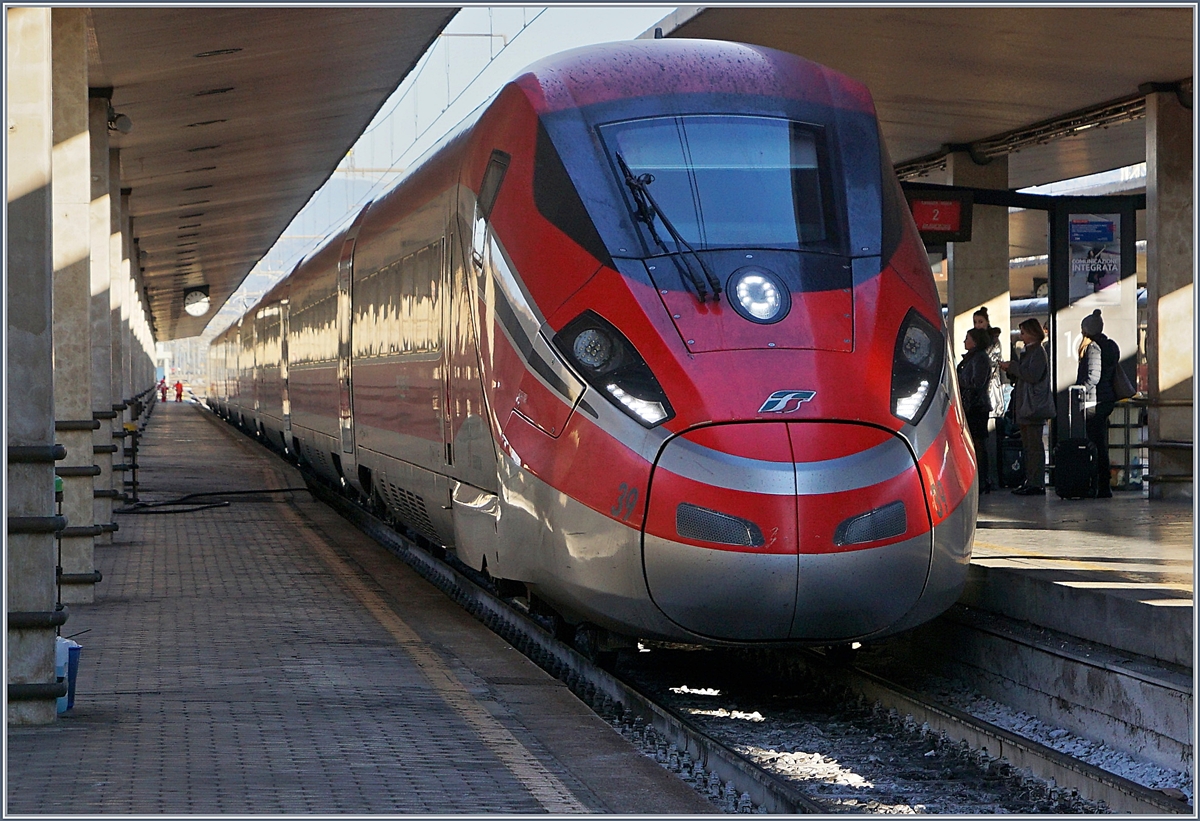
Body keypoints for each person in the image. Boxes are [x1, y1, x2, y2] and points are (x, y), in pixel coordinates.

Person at [999, 318, 1051, 495]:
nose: (1021, 336)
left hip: (1033, 406)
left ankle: (1036, 482)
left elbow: (1032, 375)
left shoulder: (1037, 352)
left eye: (1023, 332)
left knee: (1034, 446)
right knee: (1028, 446)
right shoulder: (1028, 351)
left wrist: (1012, 367)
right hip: (1025, 404)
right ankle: (1030, 480)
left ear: (1032, 333)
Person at [1075, 309, 1118, 498]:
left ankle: (1099, 484)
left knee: (1095, 443)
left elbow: (1093, 375)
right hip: (1107, 398)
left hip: (1094, 400)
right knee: (1101, 443)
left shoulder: (1093, 348)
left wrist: (1080, 389)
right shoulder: (1110, 346)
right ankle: (1104, 483)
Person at [957, 328, 993, 493]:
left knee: (978, 442)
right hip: (970, 405)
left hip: (977, 406)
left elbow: (977, 382)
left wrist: (959, 380)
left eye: (967, 338)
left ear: (975, 341)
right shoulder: (971, 358)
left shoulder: (980, 358)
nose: (965, 341)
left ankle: (983, 479)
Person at [973, 307, 1004, 492]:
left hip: (990, 394)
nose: (978, 326)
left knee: (989, 439)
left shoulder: (992, 343)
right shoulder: (981, 343)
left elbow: (991, 366)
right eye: (976, 322)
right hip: (984, 396)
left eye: (980, 322)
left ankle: (993, 478)